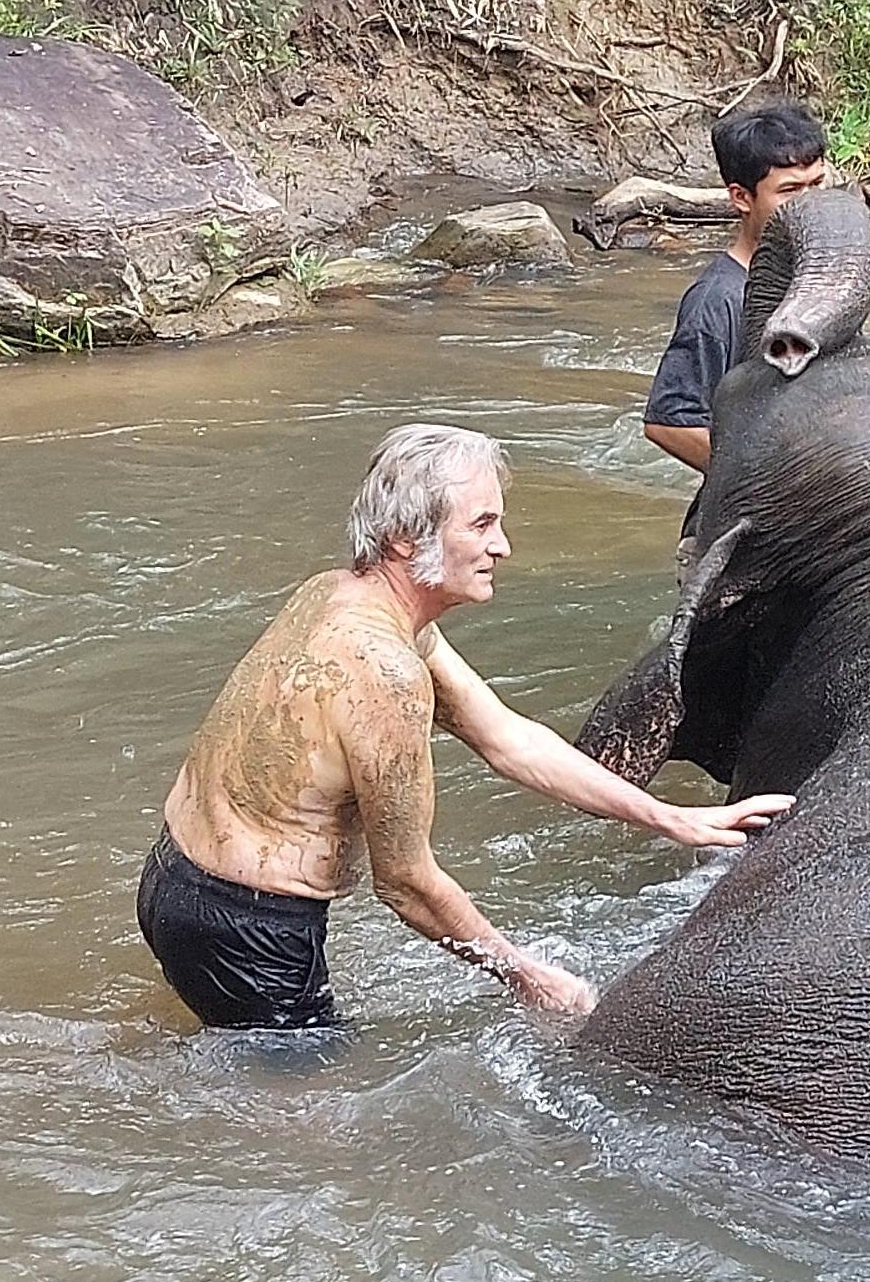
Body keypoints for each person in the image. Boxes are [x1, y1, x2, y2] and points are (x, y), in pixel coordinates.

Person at [138, 425, 791, 1030]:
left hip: (174, 880)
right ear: (403, 539)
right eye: (481, 525)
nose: (502, 546)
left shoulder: (341, 595)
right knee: (315, 1122)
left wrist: (673, 818)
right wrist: (525, 975)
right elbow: (406, 883)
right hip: (250, 926)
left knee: (241, 1058)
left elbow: (508, 739)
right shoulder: (385, 674)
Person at [645, 95, 834, 485]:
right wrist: (771, 484)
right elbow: (668, 423)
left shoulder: (820, 279)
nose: (811, 203)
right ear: (741, 197)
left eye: (817, 183)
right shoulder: (720, 299)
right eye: (790, 191)